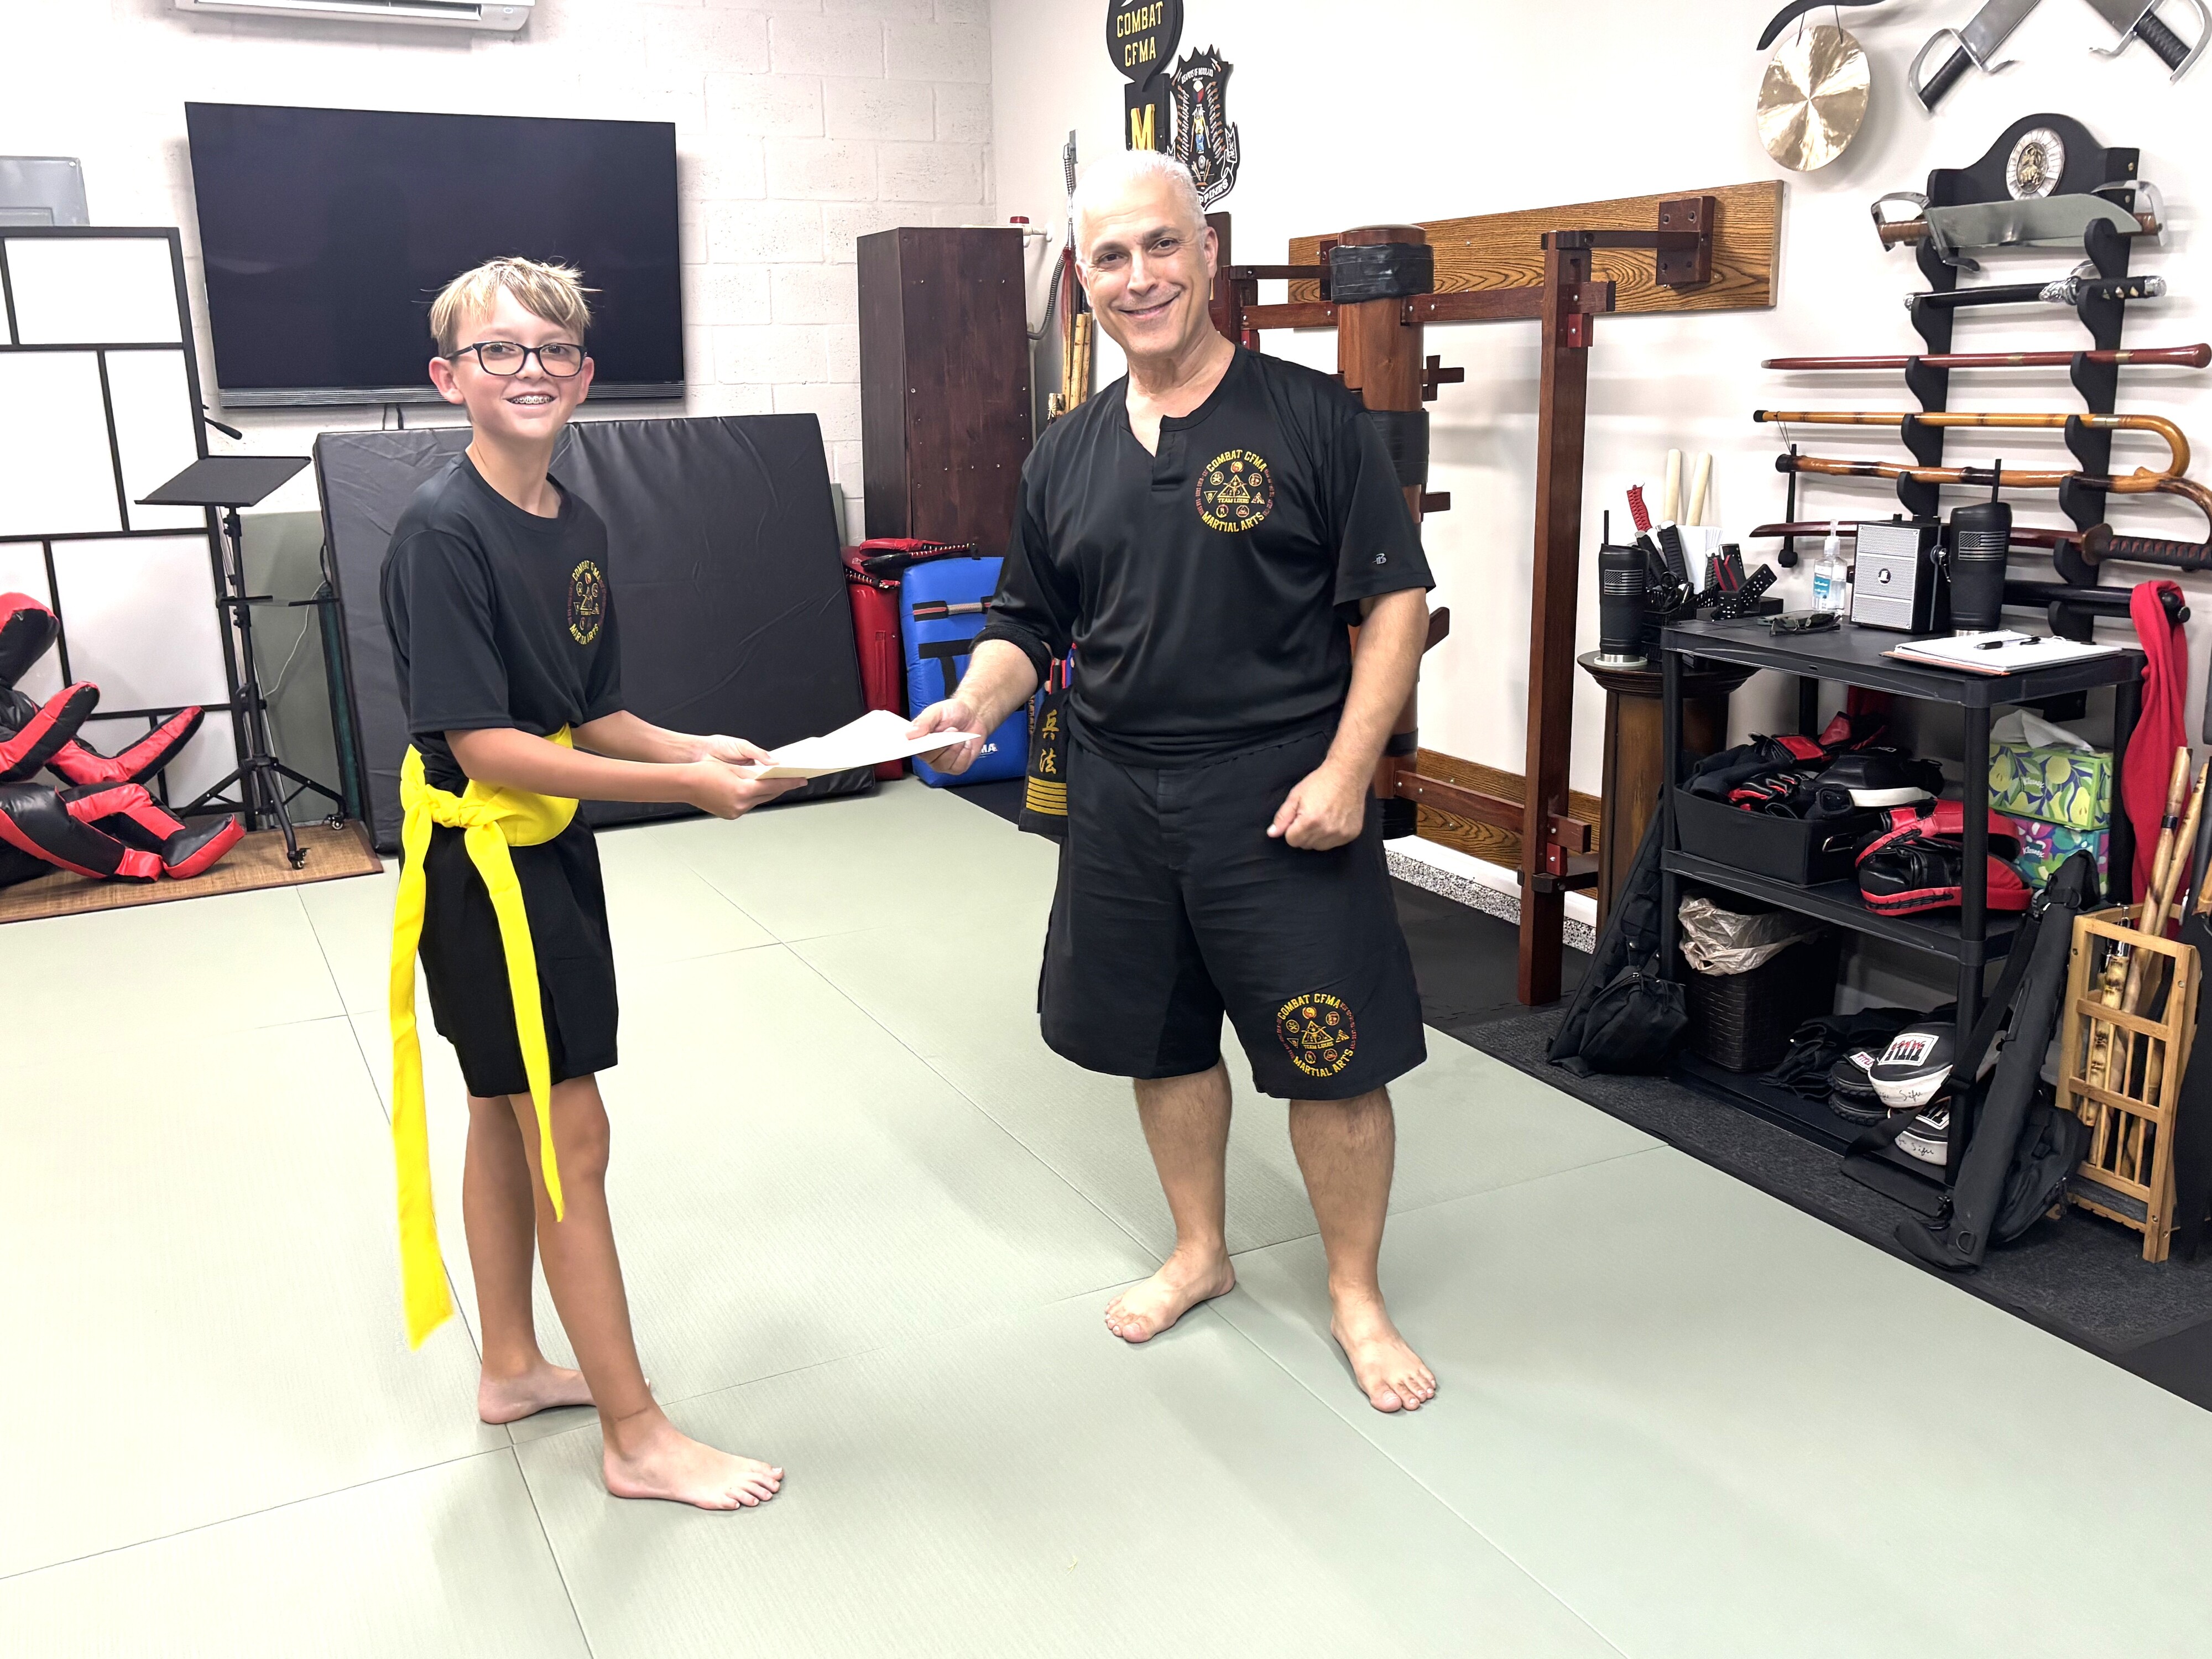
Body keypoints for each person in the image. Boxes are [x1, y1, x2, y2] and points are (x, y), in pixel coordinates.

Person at [910, 153, 1439, 1413]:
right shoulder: (1064, 453)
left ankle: (1355, 1296)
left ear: (1207, 257)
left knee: (1332, 1058)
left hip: (1281, 797)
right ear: (1083, 281)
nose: (1138, 276)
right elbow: (1025, 621)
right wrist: (975, 703)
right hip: (1118, 795)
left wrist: (1348, 771)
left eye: (1161, 246)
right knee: (1162, 1040)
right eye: (1110, 256)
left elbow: (1395, 604)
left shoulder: (1313, 420)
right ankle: (1201, 1251)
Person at [380, 257, 800, 1507]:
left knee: (503, 1111)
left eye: (553, 350)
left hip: (548, 848)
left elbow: (588, 709)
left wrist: (693, 749)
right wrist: (684, 794)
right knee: (568, 1133)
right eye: (499, 351)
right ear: (449, 377)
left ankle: (510, 1366)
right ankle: (635, 1434)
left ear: (585, 374)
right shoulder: (442, 531)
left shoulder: (576, 522)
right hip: (483, 869)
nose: (530, 370)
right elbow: (485, 745)